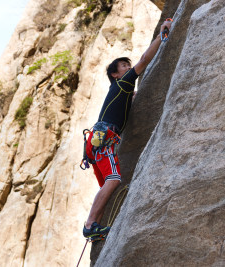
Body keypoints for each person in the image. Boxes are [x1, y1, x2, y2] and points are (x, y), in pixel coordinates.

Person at [83, 19, 172, 239]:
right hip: (104, 141)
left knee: (108, 185)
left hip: (97, 143)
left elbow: (130, 100)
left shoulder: (120, 91)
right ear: (116, 74)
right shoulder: (122, 83)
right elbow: (143, 61)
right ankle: (90, 224)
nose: (127, 68)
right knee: (114, 180)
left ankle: (96, 226)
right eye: (123, 66)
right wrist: (162, 35)